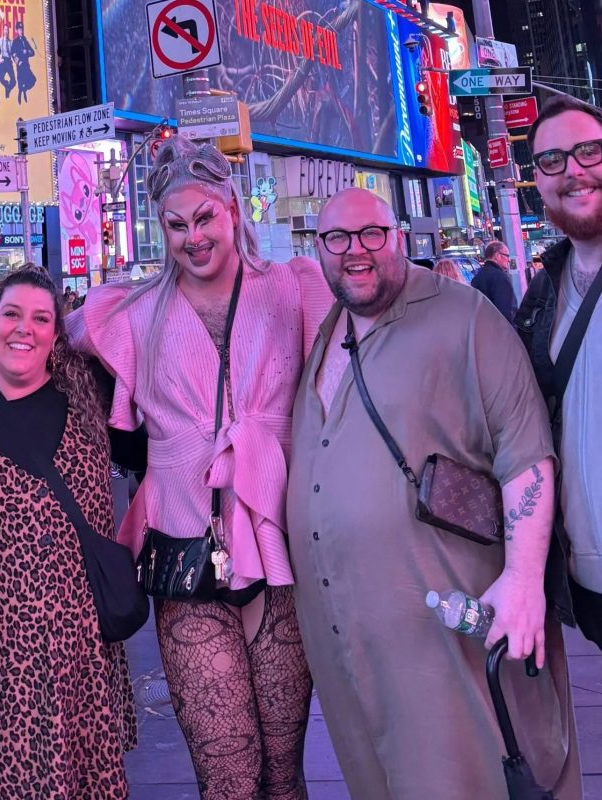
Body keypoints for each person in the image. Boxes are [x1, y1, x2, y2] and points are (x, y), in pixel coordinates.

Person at [286, 188, 581, 800]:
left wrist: (525, 579)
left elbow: (525, 453)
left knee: (463, 775)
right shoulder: (330, 331)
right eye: (336, 239)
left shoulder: (465, 317)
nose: (355, 252)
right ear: (320, 249)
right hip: (349, 637)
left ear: (399, 236)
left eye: (372, 234)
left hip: (445, 629)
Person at [66, 138, 332, 799]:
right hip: (185, 553)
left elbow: (351, 372)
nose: (192, 237)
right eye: (175, 224)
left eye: (204, 218)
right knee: (228, 779)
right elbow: (35, 338)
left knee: (282, 775)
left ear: (234, 212)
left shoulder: (294, 288)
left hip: (280, 552)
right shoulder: (130, 311)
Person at [0, 265, 136, 799]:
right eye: (12, 315)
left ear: (58, 336)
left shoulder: (91, 407)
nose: (25, 329)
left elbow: (121, 309)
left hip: (79, 655)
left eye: (42, 319)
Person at [516, 96, 602, 648]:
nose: (572, 170)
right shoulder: (543, 291)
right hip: (588, 581)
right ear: (537, 182)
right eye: (552, 161)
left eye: (589, 151)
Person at [471, 240, 517, 321]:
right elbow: (505, 310)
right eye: (507, 256)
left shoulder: (478, 277)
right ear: (497, 255)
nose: (509, 260)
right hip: (501, 329)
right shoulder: (500, 277)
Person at [10, 20, 36, 104]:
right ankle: (20, 93)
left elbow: (32, 52)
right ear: (17, 30)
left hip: (26, 65)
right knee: (20, 82)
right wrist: (18, 62)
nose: (21, 31)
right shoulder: (15, 41)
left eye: (22, 29)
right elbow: (13, 54)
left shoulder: (25, 40)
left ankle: (24, 90)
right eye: (19, 29)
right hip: (20, 66)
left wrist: (26, 51)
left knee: (32, 80)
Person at [0, 23, 16, 99]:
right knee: (0, 78)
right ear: (3, 30)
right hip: (3, 61)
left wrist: (15, 60)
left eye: (7, 30)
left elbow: (12, 53)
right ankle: (6, 85)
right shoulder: (0, 40)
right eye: (5, 29)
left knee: (14, 81)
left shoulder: (10, 42)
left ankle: (8, 88)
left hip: (9, 62)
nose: (6, 31)